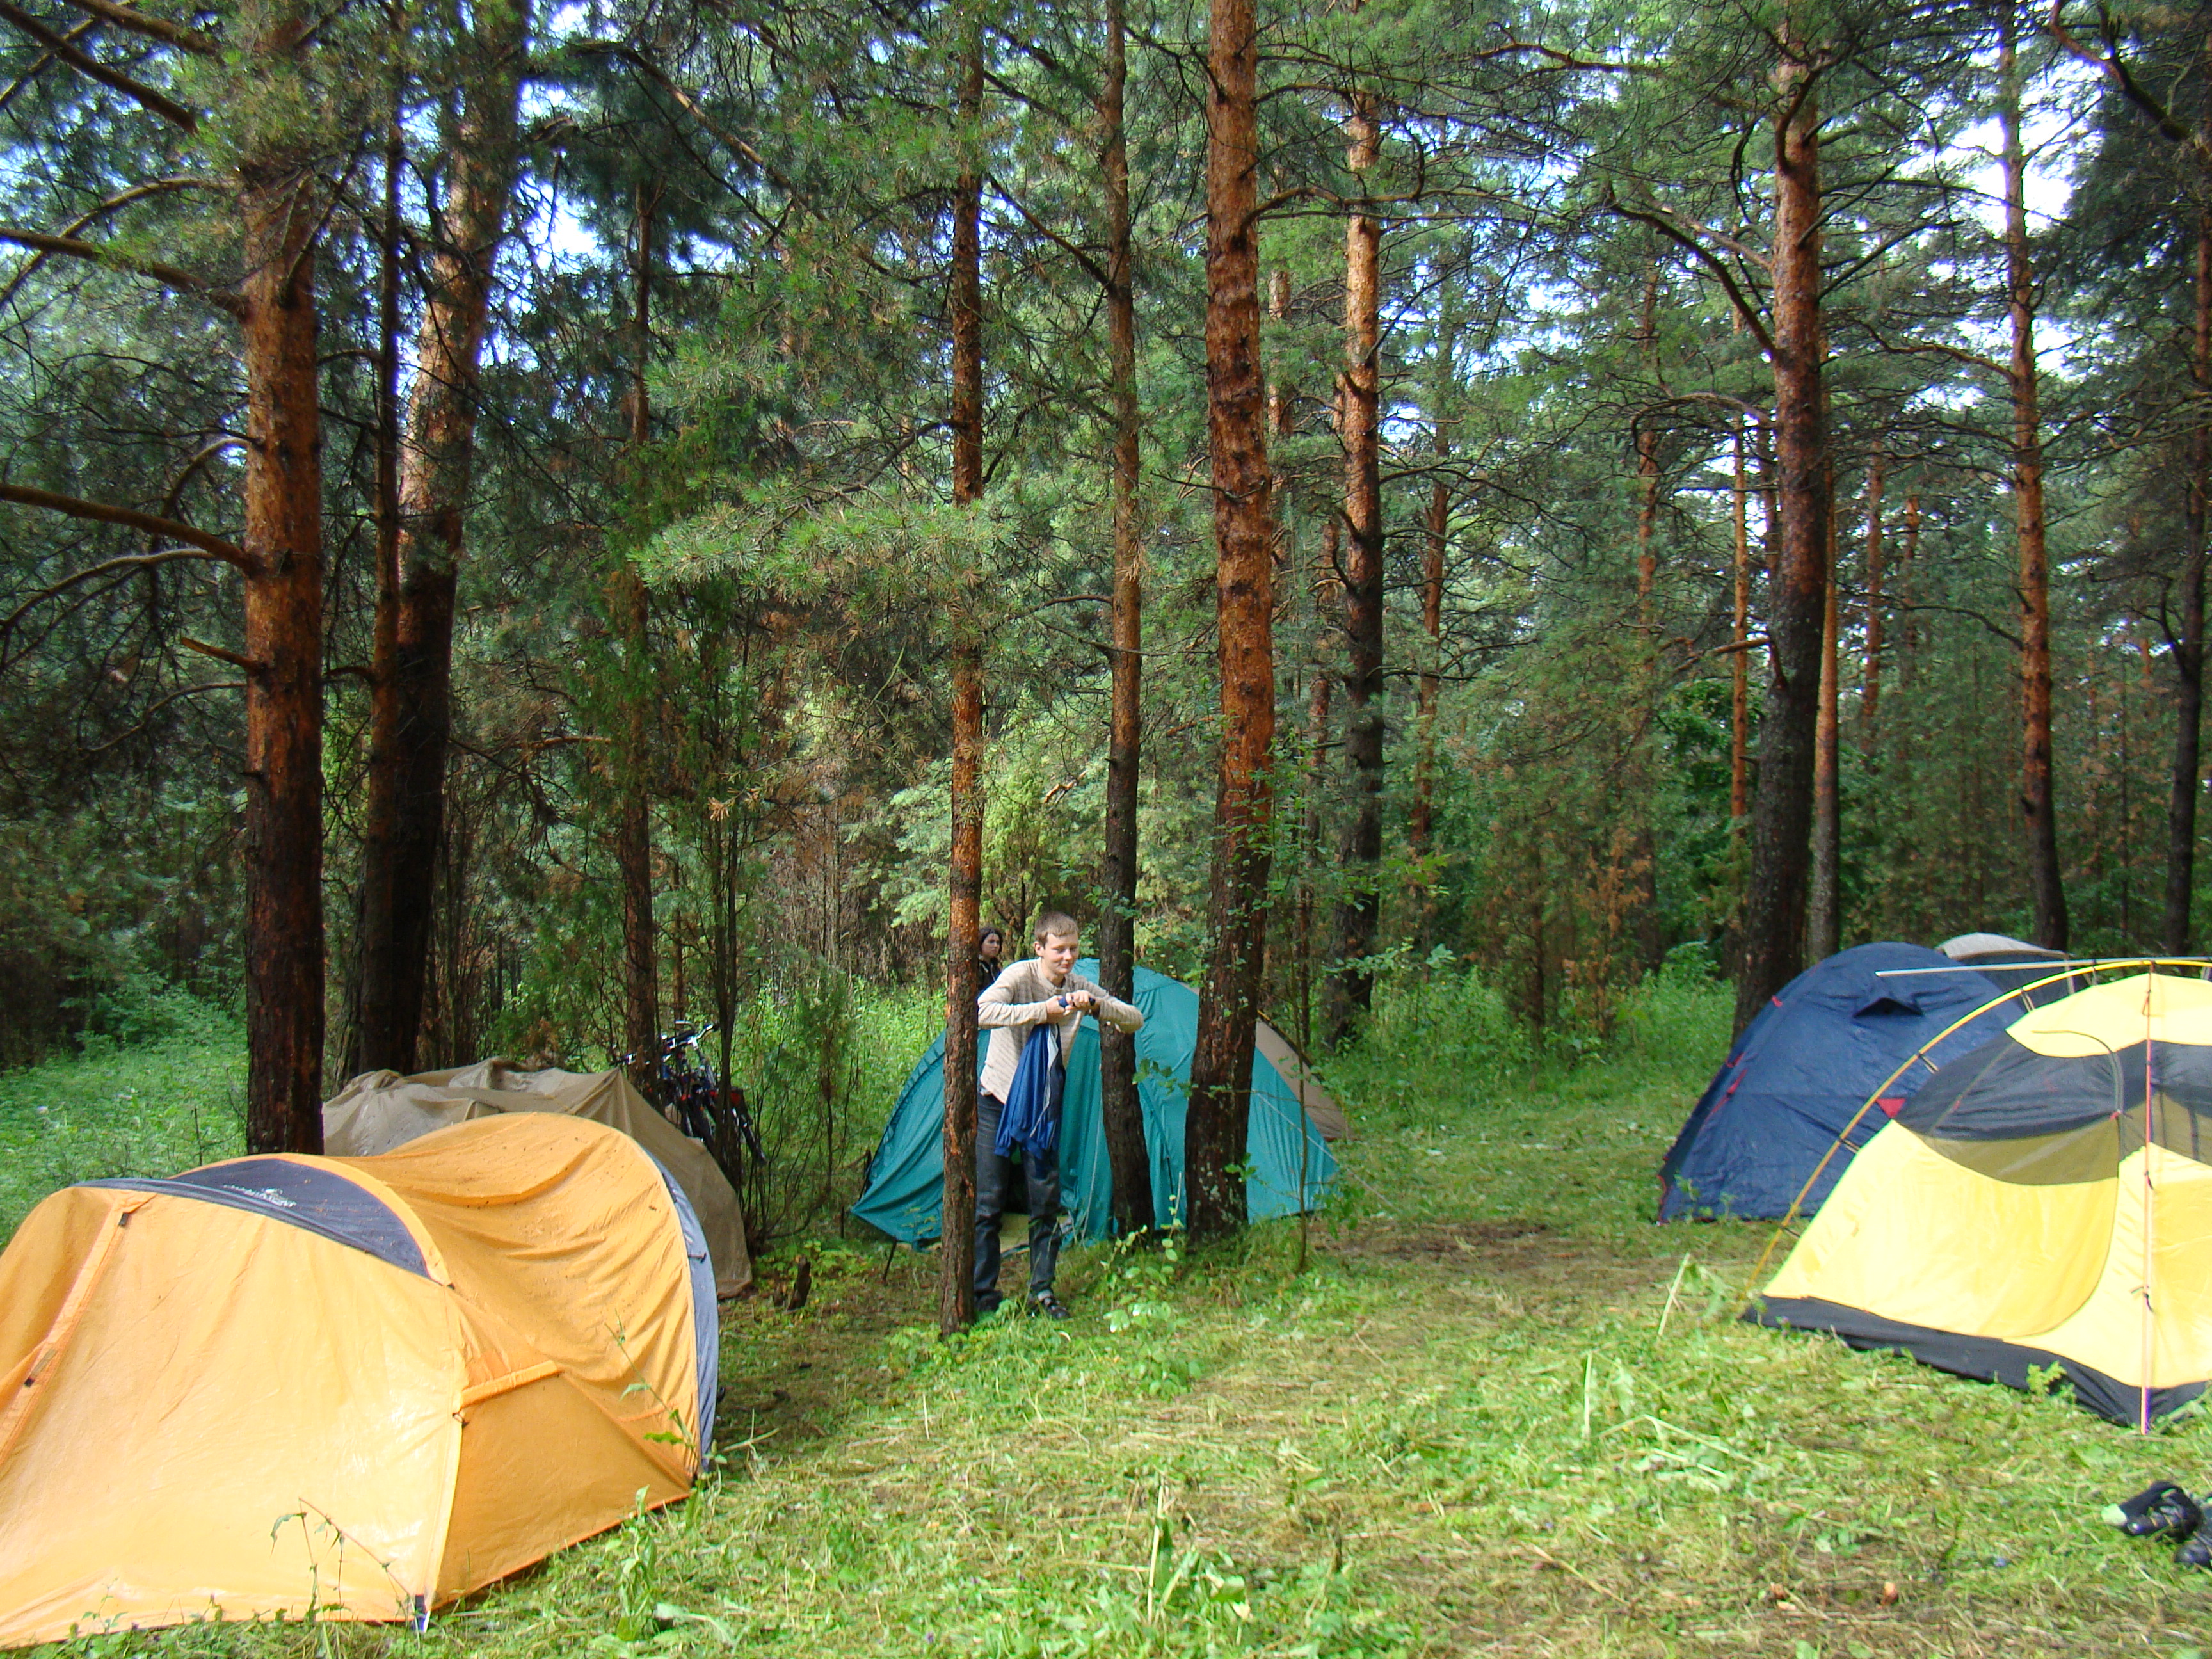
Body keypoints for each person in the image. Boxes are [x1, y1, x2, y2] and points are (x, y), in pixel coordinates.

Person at [974, 910, 1143, 1318]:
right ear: (1040, 948)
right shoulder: (1019, 976)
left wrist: (1097, 1007)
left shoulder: (1079, 985)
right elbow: (981, 1012)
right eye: (1059, 950)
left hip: (1042, 1107)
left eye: (1073, 950)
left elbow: (1134, 1019)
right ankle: (982, 1295)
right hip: (998, 1098)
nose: (1068, 958)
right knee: (989, 1202)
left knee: (1045, 1201)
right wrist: (1042, 1011)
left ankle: (1042, 1291)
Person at [974, 925, 1006, 989]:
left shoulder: (995, 967)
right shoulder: (975, 966)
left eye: (998, 943)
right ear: (980, 943)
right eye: (991, 942)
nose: (996, 946)